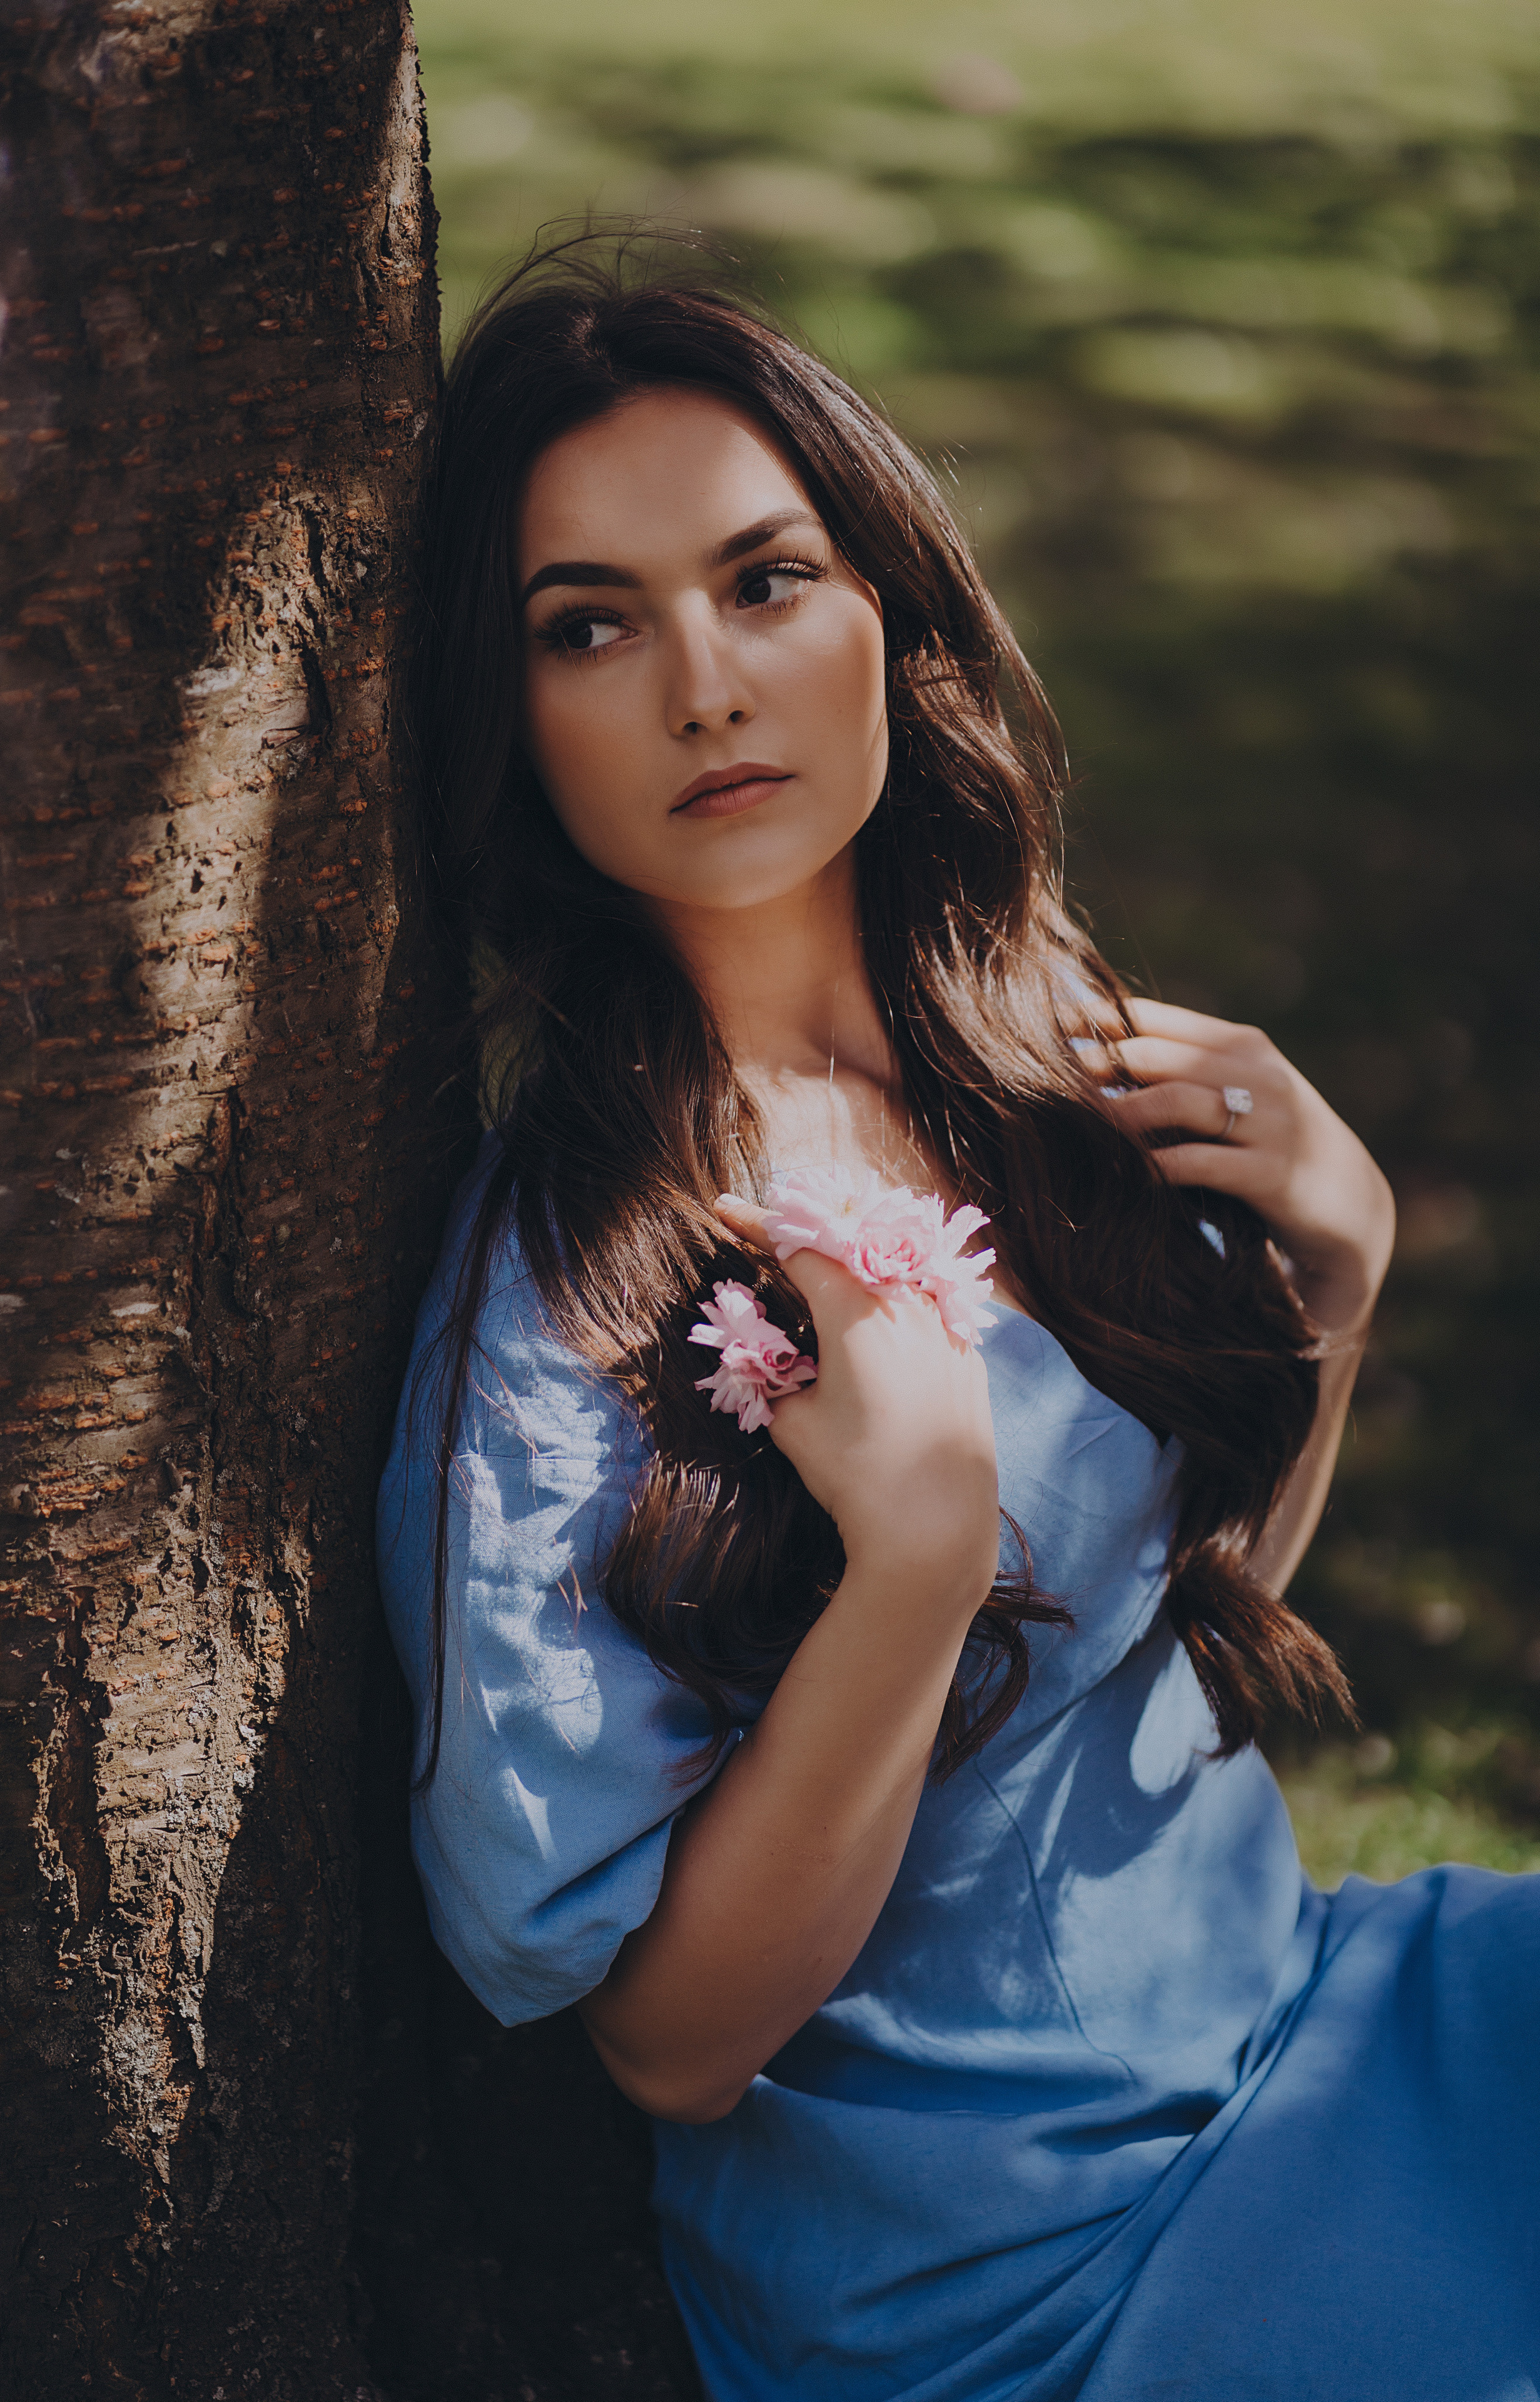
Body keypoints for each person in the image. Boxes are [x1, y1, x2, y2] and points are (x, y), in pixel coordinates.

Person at [378, 247, 1539, 2399]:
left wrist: (1338, 1280)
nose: (706, 687)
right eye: (589, 625)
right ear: (505, 718)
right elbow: (667, 2049)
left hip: (1314, 2018)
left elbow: (1177, 1632)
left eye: (765, 581)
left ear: (889, 619)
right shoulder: (566, 1308)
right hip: (1033, 2275)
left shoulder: (1036, 1038)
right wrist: (909, 1567)